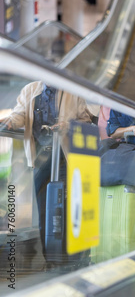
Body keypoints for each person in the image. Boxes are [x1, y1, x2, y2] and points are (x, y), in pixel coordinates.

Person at [0, 82, 91, 258]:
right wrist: (9, 122)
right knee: (44, 208)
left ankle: (70, 255)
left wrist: (67, 125)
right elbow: (19, 115)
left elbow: (85, 120)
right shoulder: (29, 90)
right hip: (40, 159)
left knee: (65, 205)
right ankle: (51, 257)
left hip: (65, 157)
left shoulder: (73, 91)